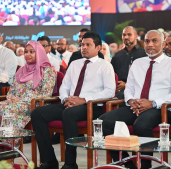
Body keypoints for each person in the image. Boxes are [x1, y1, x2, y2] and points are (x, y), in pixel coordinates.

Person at [100, 30, 171, 169]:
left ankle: (146, 165)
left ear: (163, 44)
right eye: (147, 41)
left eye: (154, 41)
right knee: (104, 122)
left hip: (160, 109)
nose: (150, 44)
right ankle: (127, 164)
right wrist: (131, 101)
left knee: (140, 125)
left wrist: (153, 103)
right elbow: (129, 88)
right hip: (135, 106)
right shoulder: (138, 63)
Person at [31, 31, 116, 169]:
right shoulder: (75, 64)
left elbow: (109, 91)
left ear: (98, 48)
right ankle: (50, 161)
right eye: (82, 44)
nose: (84, 47)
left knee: (68, 114)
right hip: (70, 104)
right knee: (37, 113)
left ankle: (70, 163)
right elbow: (64, 87)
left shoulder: (105, 65)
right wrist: (66, 99)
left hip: (92, 107)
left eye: (88, 45)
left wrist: (84, 99)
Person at [0, 41, 56, 146]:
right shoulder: (22, 70)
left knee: (8, 109)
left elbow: (46, 93)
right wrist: (11, 98)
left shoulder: (47, 70)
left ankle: (8, 147)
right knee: (4, 107)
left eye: (32, 52)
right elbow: (12, 90)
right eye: (26, 52)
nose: (28, 54)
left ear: (39, 53)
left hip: (36, 104)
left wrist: (21, 100)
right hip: (17, 104)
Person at [111, 26, 146, 100]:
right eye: (124, 35)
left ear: (136, 36)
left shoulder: (144, 54)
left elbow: (145, 77)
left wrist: (127, 85)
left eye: (129, 34)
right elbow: (112, 74)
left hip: (136, 91)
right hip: (117, 91)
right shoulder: (117, 55)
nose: (126, 37)